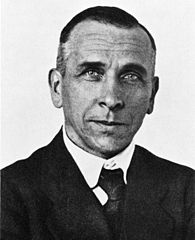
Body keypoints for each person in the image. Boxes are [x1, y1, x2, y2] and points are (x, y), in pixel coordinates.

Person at [1, 6, 194, 240]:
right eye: (92, 73)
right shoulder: (9, 193)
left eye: (131, 76)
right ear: (57, 88)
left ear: (151, 95)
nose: (111, 99)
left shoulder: (187, 191)